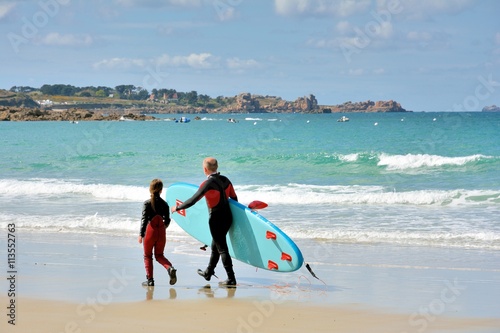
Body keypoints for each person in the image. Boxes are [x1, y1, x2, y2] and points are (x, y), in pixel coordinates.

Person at [171, 157, 238, 286]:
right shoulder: (226, 180)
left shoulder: (207, 184)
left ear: (205, 169)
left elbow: (192, 200)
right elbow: (235, 199)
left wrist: (177, 208)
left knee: (222, 248)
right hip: (228, 217)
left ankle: (231, 279)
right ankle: (208, 272)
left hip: (216, 219)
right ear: (216, 167)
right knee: (216, 246)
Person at [139, 178, 177, 287]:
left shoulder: (147, 203)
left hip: (150, 231)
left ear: (150, 189)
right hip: (161, 231)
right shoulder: (165, 204)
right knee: (159, 255)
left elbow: (144, 220)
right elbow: (168, 220)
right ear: (161, 190)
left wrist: (141, 234)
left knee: (147, 256)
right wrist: (163, 227)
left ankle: (150, 280)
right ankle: (170, 268)